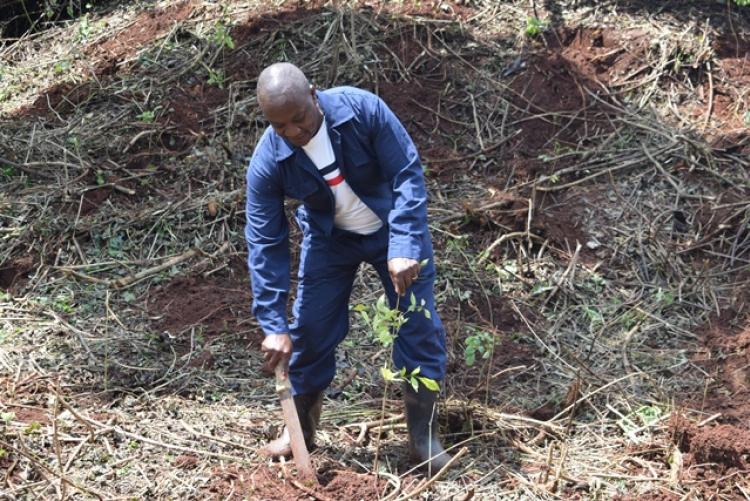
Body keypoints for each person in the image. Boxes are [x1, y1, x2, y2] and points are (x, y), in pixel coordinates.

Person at [245, 62, 450, 473]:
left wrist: (405, 244)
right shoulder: (269, 160)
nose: (293, 132)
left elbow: (407, 173)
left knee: (416, 325)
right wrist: (272, 325)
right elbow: (266, 242)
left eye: (299, 118)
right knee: (310, 329)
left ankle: (422, 436)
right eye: (280, 126)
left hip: (392, 233)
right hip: (330, 239)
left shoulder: (363, 111)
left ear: (314, 95)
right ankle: (299, 430)